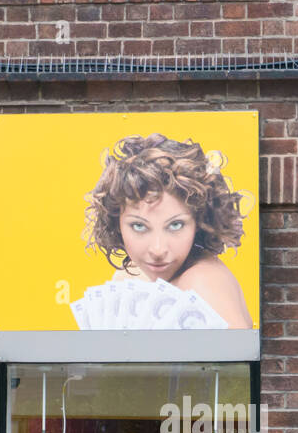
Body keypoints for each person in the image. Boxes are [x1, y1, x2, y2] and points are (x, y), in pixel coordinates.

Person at [84, 132, 252, 328]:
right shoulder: (136, 280)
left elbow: (236, 357)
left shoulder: (201, 284)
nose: (157, 250)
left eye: (175, 225)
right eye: (139, 226)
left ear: (199, 221)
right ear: (116, 223)